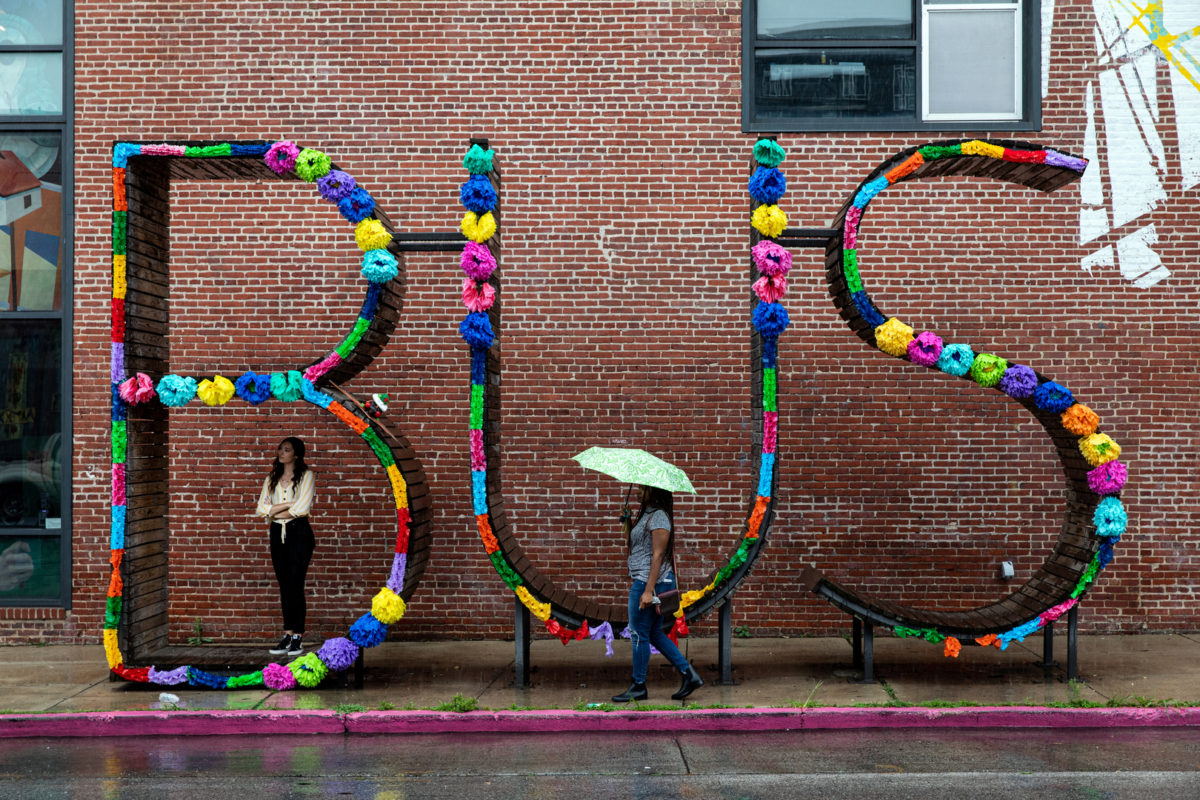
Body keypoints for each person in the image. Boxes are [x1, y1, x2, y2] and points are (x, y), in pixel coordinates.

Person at [612, 484, 704, 703]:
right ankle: (689, 675)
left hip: (650, 582)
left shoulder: (660, 517)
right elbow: (635, 547)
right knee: (652, 633)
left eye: (643, 489)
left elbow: (658, 555)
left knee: (638, 633)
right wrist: (627, 523)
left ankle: (638, 686)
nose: (638, 492)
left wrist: (647, 591)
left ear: (655, 491)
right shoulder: (647, 514)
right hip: (647, 579)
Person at [255, 437, 316, 656]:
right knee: (284, 584)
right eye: (280, 449)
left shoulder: (306, 476)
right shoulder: (271, 478)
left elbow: (302, 508)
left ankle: (298, 636)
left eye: (287, 450)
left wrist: (276, 509)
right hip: (276, 534)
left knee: (295, 583)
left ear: (296, 454)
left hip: (299, 532)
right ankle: (288, 634)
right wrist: (289, 504)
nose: (281, 453)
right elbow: (262, 509)